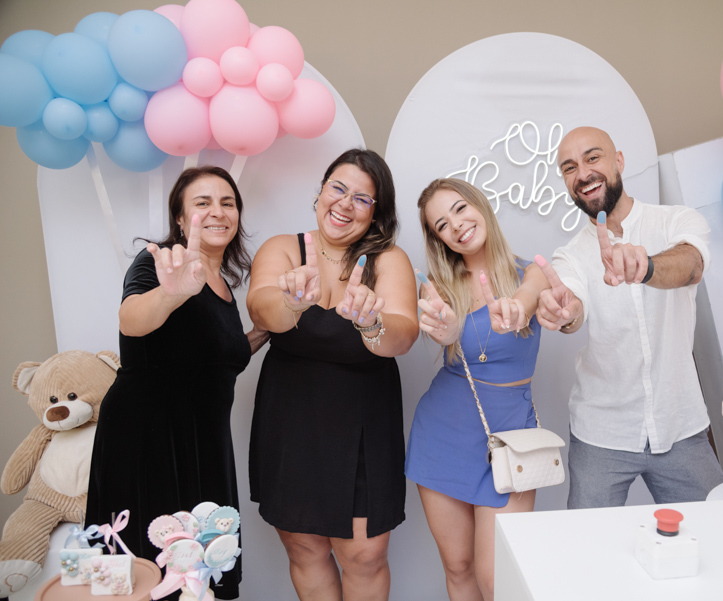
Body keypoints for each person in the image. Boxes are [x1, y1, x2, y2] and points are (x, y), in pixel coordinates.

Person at [86, 166, 269, 600]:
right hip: (147, 440)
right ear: (181, 220)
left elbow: (220, 362)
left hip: (205, 444)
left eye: (228, 202)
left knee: (201, 571)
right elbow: (131, 321)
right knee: (141, 573)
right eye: (202, 202)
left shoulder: (223, 286)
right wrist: (172, 292)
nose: (217, 211)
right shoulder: (159, 261)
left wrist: (276, 325)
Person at [246, 149, 418, 601]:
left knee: (364, 556)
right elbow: (261, 309)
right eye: (338, 189)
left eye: (362, 198)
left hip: (364, 423)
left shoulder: (388, 260)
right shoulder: (283, 248)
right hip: (291, 421)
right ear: (320, 193)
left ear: (376, 213)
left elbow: (402, 336)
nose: (345, 204)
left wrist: (369, 323)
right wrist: (293, 303)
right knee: (304, 548)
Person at [535, 126, 723, 509]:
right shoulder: (569, 256)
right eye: (569, 167)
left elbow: (692, 265)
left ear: (618, 161)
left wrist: (648, 266)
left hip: (681, 426)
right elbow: (571, 304)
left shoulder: (675, 221)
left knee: (716, 535)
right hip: (601, 435)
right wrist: (563, 310)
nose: (583, 174)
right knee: (590, 551)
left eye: (593, 158)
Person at [406, 178, 549, 601]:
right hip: (441, 434)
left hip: (511, 439)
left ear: (479, 205)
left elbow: (527, 298)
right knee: (459, 567)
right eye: (441, 224)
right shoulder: (437, 288)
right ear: (439, 239)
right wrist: (448, 331)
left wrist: (518, 308)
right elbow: (440, 328)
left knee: (498, 579)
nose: (457, 225)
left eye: (460, 209)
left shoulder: (532, 273)